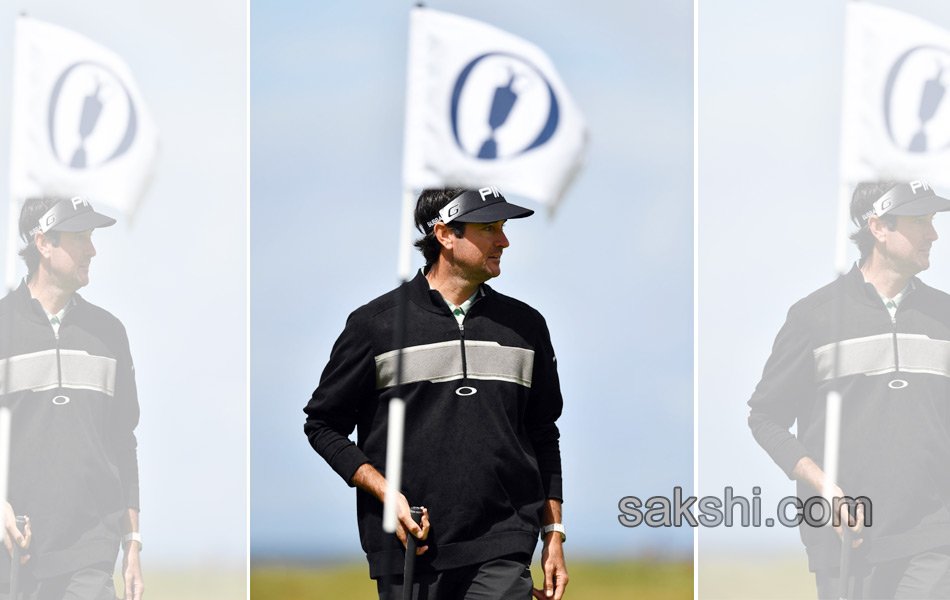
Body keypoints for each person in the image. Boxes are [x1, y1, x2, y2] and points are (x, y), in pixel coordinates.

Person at [304, 187, 568, 599]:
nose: (504, 240)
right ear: (445, 235)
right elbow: (323, 425)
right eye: (489, 228)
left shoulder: (526, 326)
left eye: (502, 227)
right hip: (408, 547)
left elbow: (542, 432)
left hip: (504, 544)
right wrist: (385, 493)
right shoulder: (375, 325)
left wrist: (553, 534)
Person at [748, 181, 950, 598]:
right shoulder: (814, 318)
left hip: (935, 535)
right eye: (919, 222)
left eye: (932, 222)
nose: (934, 234)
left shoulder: (945, 317)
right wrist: (823, 486)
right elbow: (765, 417)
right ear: (878, 227)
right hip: (847, 539)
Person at [0, 196, 143, 600]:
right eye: (80, 237)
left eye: (91, 237)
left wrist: (132, 542)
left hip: (90, 553)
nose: (92, 250)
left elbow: (123, 440)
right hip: (12, 554)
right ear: (43, 243)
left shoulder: (110, 333)